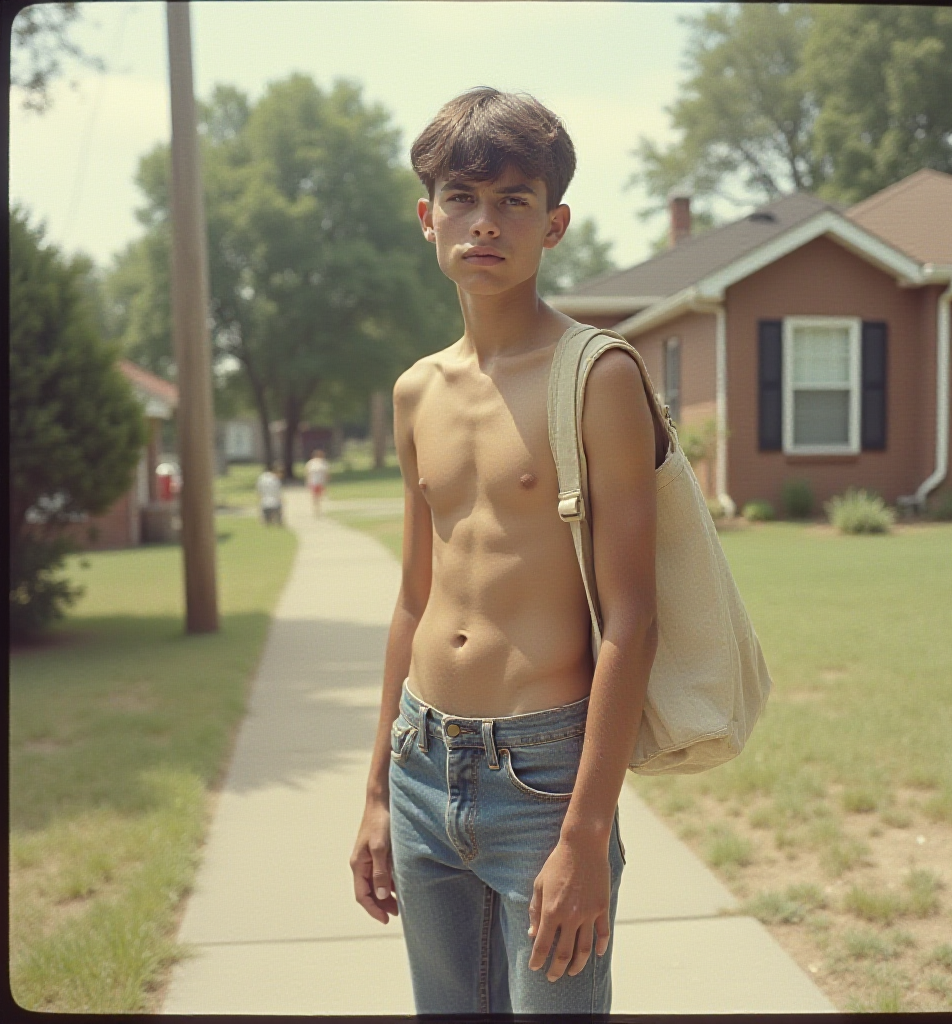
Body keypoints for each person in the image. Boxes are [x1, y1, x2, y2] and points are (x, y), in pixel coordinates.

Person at [349, 87, 667, 1016]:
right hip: (421, 758)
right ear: (428, 216)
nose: (484, 222)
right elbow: (414, 600)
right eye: (462, 197)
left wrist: (586, 831)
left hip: (543, 776)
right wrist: (377, 793)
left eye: (513, 200)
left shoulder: (599, 376)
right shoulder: (416, 391)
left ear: (553, 224)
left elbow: (632, 618)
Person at [304, 448, 330, 517]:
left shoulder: (323, 463)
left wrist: (326, 481)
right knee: (315, 496)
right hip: (314, 482)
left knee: (319, 496)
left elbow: (326, 473)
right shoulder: (311, 463)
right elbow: (308, 473)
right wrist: (308, 482)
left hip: (320, 482)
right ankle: (316, 510)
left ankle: (318, 508)